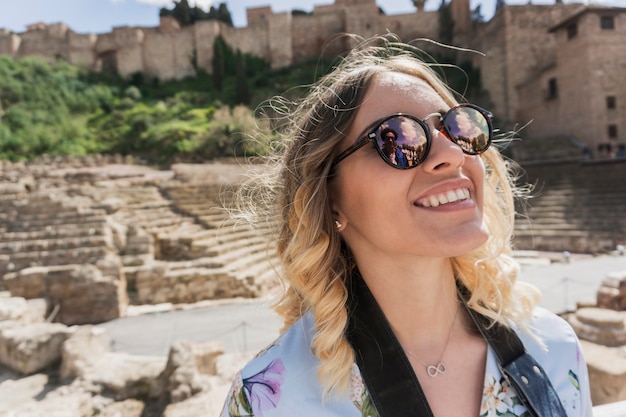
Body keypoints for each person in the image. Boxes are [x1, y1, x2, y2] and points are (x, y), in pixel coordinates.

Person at [220, 36, 592, 417]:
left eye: (459, 129)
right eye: (398, 139)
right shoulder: (271, 399)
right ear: (330, 198)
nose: (452, 154)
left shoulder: (553, 349)